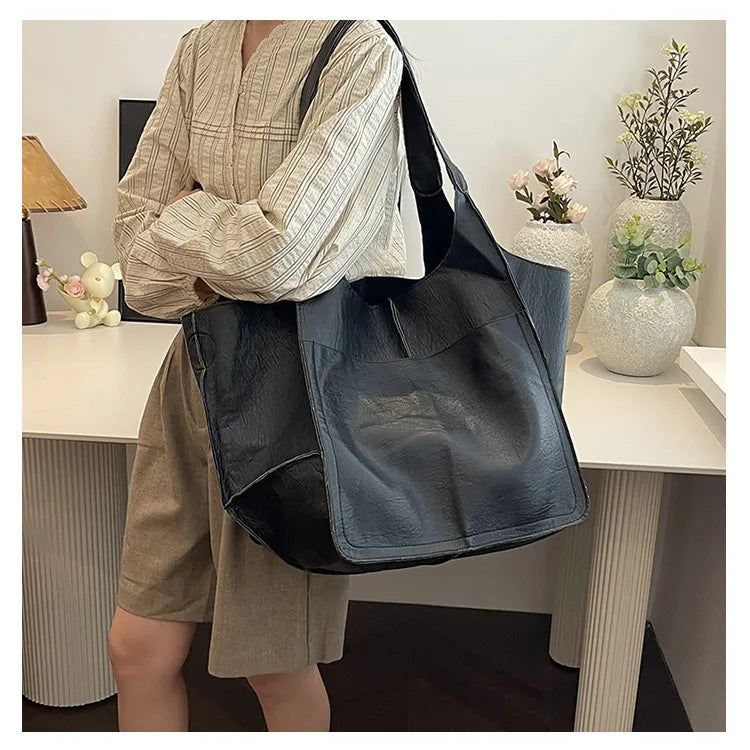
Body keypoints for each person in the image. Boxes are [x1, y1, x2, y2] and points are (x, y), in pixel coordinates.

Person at [109, 19, 408, 732]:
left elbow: (279, 255)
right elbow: (133, 249)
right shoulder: (200, 46)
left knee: (274, 664)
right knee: (136, 646)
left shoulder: (362, 50)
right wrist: (228, 245)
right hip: (191, 371)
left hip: (295, 393)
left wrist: (185, 212)